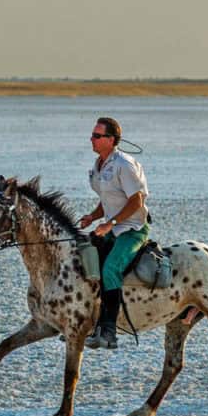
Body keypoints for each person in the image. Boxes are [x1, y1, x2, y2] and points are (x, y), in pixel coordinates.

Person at [77, 116, 149, 349]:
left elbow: (136, 200)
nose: (92, 139)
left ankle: (109, 332)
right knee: (83, 259)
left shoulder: (124, 165)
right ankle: (90, 323)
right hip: (111, 226)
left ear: (111, 139)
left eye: (97, 136)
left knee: (110, 270)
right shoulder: (98, 166)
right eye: (92, 135)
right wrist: (93, 216)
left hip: (132, 229)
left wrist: (111, 223)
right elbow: (107, 200)